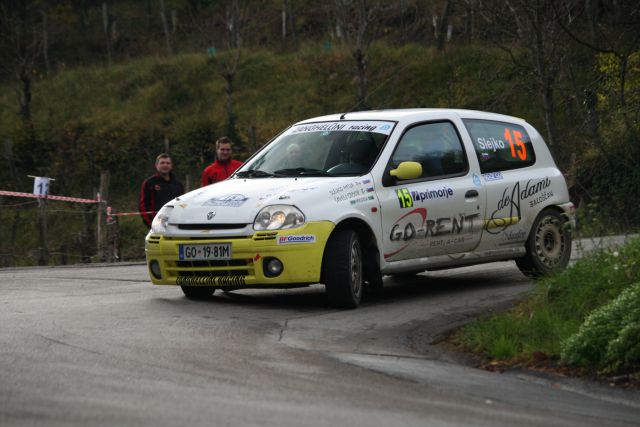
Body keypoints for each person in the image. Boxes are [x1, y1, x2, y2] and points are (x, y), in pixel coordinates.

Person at [139, 153, 184, 229]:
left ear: (171, 166)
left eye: (168, 163)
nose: (165, 165)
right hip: (156, 225)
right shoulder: (149, 183)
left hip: (175, 225)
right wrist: (150, 223)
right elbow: (143, 206)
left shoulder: (178, 185)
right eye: (162, 163)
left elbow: (182, 204)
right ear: (156, 165)